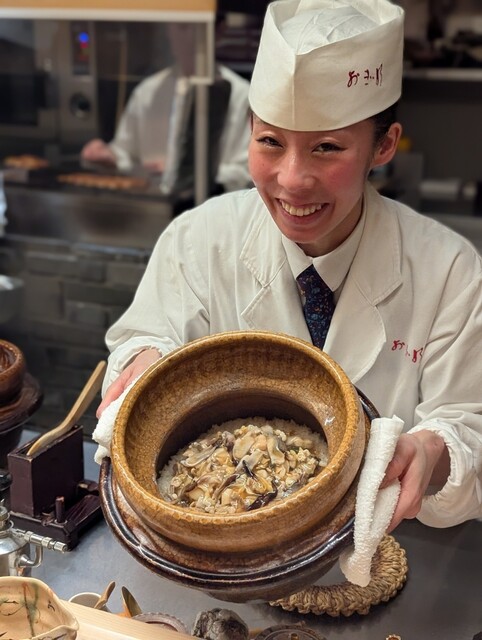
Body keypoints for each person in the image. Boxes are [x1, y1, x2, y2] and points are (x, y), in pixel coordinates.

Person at [97, 0, 482, 533]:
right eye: (270, 142)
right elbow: (145, 338)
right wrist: (144, 361)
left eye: (327, 148)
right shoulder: (199, 239)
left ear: (384, 146)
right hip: (227, 542)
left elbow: (468, 424)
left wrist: (433, 452)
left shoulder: (449, 270)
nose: (292, 180)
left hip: (391, 541)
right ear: (249, 130)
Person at [81, 18, 252, 192]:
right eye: (181, 26)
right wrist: (110, 157)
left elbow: (247, 171)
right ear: (169, 29)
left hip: (216, 202)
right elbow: (126, 153)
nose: (189, 38)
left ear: (219, 31)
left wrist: (181, 173)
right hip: (152, 203)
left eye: (198, 28)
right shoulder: (148, 92)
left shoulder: (241, 96)